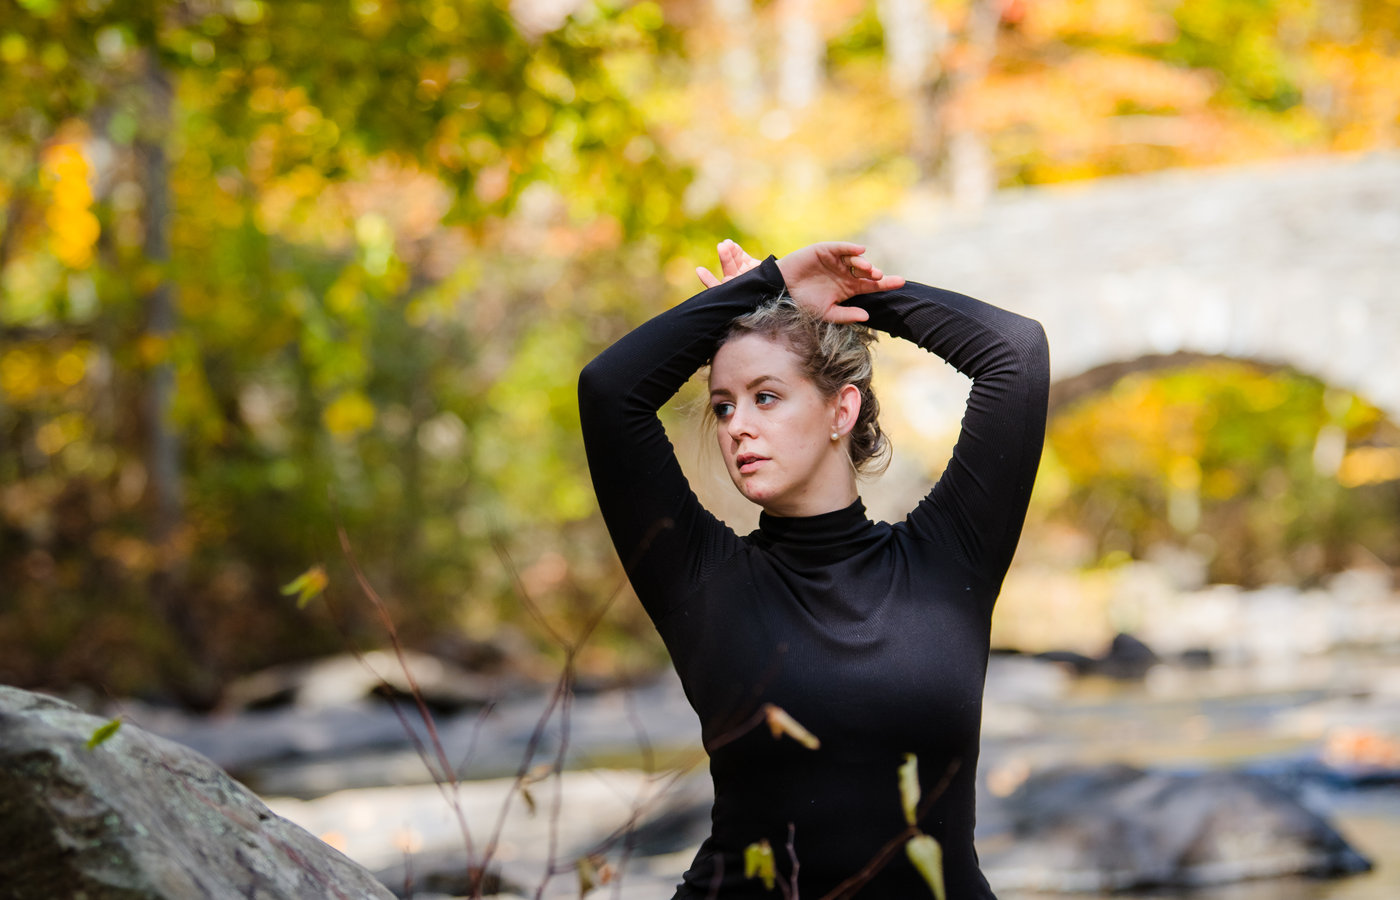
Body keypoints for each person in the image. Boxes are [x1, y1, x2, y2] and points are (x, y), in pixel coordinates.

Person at [578, 239, 1049, 898]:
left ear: (841, 409)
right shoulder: (702, 580)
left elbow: (1016, 354)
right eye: (722, 405)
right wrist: (765, 287)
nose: (737, 425)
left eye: (765, 397)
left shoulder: (948, 561)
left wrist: (839, 300)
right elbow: (609, 392)